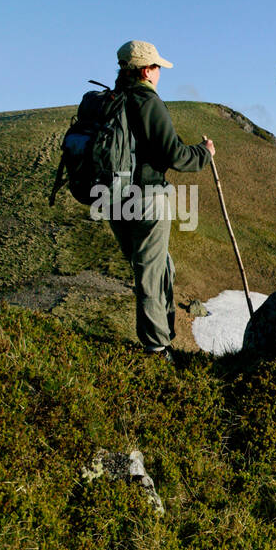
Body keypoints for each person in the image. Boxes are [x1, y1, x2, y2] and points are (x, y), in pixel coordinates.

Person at [108, 40, 215, 361]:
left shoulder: (111, 99)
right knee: (151, 272)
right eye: (156, 67)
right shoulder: (147, 101)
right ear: (145, 71)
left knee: (158, 266)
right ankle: (156, 349)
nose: (159, 73)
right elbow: (174, 154)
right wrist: (204, 154)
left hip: (112, 197)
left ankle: (163, 336)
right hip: (146, 196)